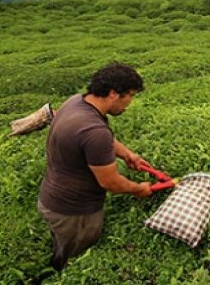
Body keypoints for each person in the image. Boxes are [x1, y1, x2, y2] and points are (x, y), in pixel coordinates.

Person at [37, 62, 156, 271]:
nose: (129, 103)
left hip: (52, 197)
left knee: (62, 244)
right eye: (130, 96)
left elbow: (98, 139)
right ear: (113, 94)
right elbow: (110, 182)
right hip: (75, 213)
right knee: (76, 261)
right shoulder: (94, 131)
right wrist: (139, 189)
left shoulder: (76, 103)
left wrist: (128, 154)